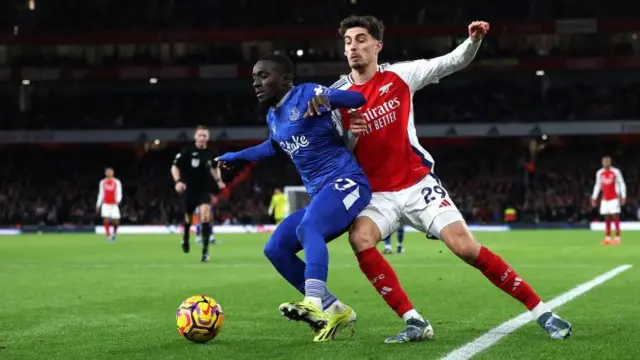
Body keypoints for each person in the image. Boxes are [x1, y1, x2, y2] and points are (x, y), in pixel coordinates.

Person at [323, 15, 572, 343]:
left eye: (361, 39)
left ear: (377, 46)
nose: (353, 47)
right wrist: (351, 137)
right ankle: (414, 322)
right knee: (360, 239)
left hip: (416, 184)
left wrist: (474, 41)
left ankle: (543, 312)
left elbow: (451, 62)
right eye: (348, 42)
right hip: (376, 193)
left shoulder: (400, 75)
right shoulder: (335, 96)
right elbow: (336, 150)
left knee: (465, 248)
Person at [216, 54, 371, 342]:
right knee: (276, 248)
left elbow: (358, 99)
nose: (256, 83)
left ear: (286, 79)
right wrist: (237, 156)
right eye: (254, 78)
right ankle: (334, 307)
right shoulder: (273, 116)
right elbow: (272, 147)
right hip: (322, 195)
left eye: (263, 76)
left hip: (348, 183)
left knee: (308, 228)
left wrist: (328, 100)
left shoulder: (307, 93)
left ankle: (312, 303)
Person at [171, 126, 226, 262]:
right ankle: (185, 238)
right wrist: (178, 181)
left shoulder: (212, 153)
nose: (202, 138)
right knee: (188, 218)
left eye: (204, 136)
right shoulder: (187, 151)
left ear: (208, 138)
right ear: (195, 137)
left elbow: (215, 168)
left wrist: (219, 180)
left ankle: (205, 251)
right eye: (200, 135)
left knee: (205, 216)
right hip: (189, 189)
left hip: (205, 189)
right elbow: (174, 166)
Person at [591, 156, 626, 245]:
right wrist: (594, 197)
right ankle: (608, 237)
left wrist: (623, 196)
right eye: (604, 162)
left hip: (614, 197)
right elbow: (598, 185)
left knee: (615, 216)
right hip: (605, 198)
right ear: (602, 163)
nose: (606, 163)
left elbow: (621, 183)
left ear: (610, 163)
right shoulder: (599, 173)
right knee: (606, 217)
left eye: (607, 162)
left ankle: (618, 237)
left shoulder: (616, 172)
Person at [96, 167, 122, 242]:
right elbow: (101, 194)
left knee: (116, 221)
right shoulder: (102, 182)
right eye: (108, 172)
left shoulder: (117, 182)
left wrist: (118, 200)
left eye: (111, 172)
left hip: (114, 204)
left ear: (113, 173)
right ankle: (108, 235)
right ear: (105, 173)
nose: (109, 173)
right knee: (106, 219)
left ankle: (114, 233)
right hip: (106, 204)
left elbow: (119, 192)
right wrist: (98, 204)